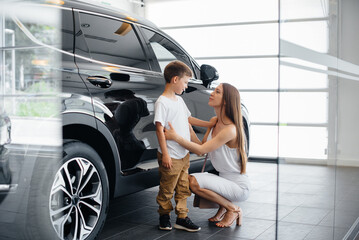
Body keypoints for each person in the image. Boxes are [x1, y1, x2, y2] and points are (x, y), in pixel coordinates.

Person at [164, 83, 250, 228]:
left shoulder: (230, 130)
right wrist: (190, 131)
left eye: (217, 92)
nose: (212, 93)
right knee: (191, 180)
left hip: (238, 187)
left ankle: (232, 208)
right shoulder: (215, 122)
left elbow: (199, 150)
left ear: (225, 101)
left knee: (192, 181)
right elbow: (203, 149)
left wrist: (175, 137)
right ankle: (225, 207)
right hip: (223, 180)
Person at [154, 60, 216, 232]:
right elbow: (159, 129)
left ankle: (182, 217)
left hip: (183, 155)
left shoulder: (179, 101)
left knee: (182, 187)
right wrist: (165, 154)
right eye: (186, 82)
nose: (186, 86)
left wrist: (208, 124)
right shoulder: (162, 102)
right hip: (171, 155)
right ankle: (164, 215)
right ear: (175, 79)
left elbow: (188, 120)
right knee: (167, 188)